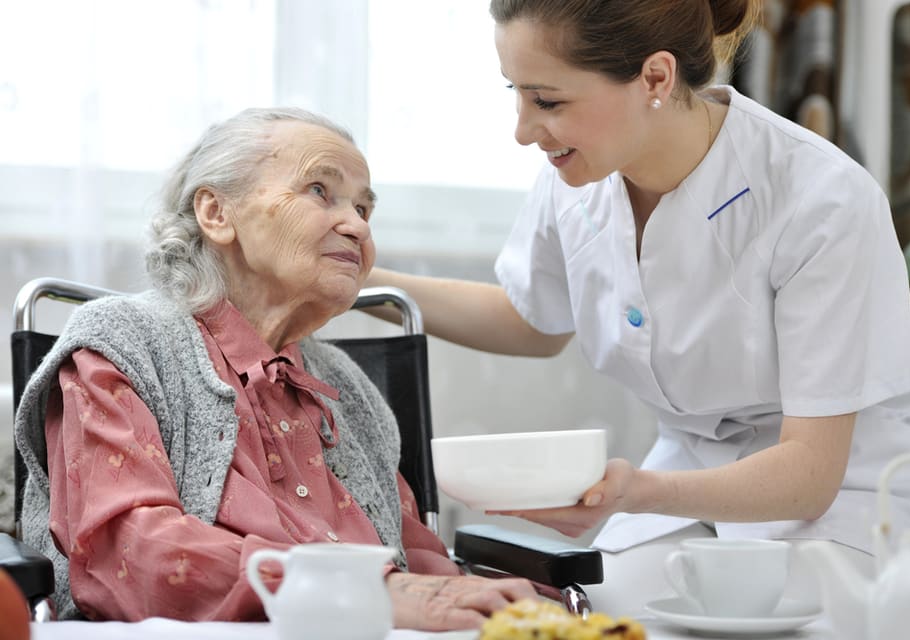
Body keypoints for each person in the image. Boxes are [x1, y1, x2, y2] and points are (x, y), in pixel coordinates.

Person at [364, 0, 910, 616]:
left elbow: (809, 475)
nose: (522, 130)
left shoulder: (820, 200)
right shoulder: (578, 175)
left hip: (847, 509)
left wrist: (635, 492)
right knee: (592, 614)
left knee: (744, 622)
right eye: (516, 93)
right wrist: (355, 280)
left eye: (547, 101)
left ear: (655, 77)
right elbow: (531, 321)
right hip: (687, 486)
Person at [13, 107, 536, 626]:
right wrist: (364, 594)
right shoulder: (122, 345)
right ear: (217, 214)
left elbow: (414, 558)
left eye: (364, 209)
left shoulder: (348, 389)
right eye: (319, 191)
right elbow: (127, 554)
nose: (356, 225)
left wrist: (504, 608)